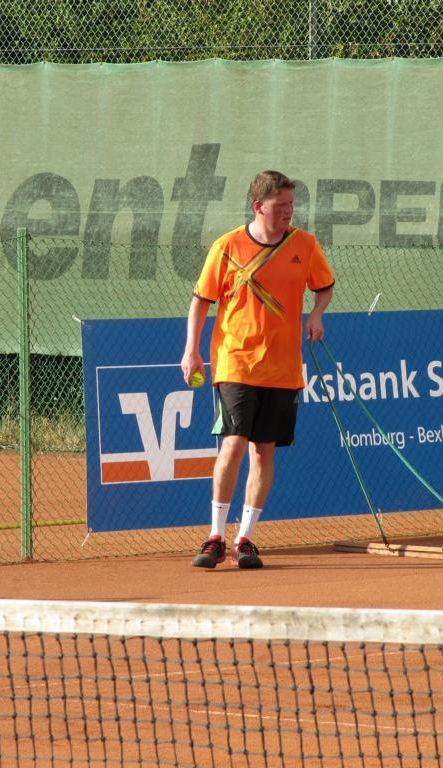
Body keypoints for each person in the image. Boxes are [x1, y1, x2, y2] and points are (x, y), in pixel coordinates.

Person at [181, 170, 334, 569]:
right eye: (280, 205)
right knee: (233, 444)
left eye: (291, 205)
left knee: (264, 452)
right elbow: (201, 301)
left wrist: (317, 314)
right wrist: (191, 350)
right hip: (235, 361)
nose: (288, 211)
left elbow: (324, 286)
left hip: (282, 367)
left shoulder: (305, 245)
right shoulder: (227, 246)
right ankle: (215, 536)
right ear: (258, 207)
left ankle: (245, 539)